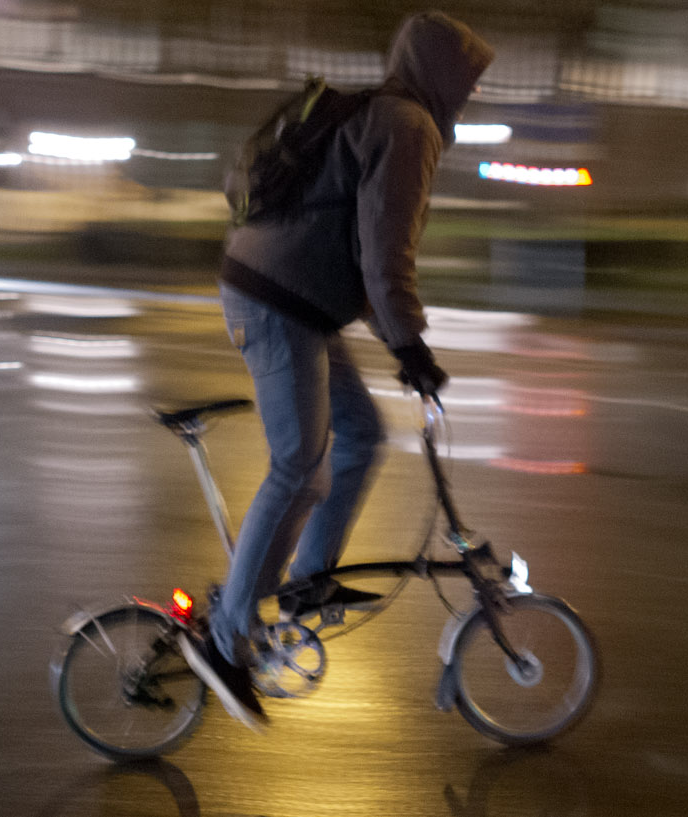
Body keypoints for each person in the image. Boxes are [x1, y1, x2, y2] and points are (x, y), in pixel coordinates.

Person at [179, 11, 495, 731]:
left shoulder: (386, 112)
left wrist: (400, 339)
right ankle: (226, 642)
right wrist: (410, 346)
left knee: (362, 434)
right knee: (299, 466)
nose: (471, 95)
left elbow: (366, 248)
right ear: (441, 74)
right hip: (277, 300)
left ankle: (306, 582)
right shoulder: (408, 127)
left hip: (295, 298)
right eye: (468, 80)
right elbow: (387, 254)